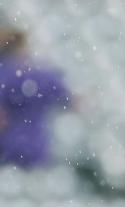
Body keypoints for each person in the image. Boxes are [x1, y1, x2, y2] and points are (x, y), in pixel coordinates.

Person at [0, 24, 72, 168]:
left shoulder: (5, 73)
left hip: (7, 150)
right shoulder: (42, 75)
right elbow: (71, 102)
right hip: (36, 149)